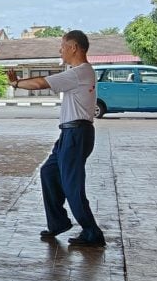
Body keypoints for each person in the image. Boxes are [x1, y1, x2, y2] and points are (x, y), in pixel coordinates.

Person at [7, 30, 106, 248]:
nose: (60, 50)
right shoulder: (80, 72)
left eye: (62, 46)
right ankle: (58, 222)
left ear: (73, 47)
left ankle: (92, 232)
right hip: (69, 133)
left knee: (72, 185)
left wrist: (16, 84)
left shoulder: (79, 72)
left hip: (77, 133)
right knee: (48, 172)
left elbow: (41, 83)